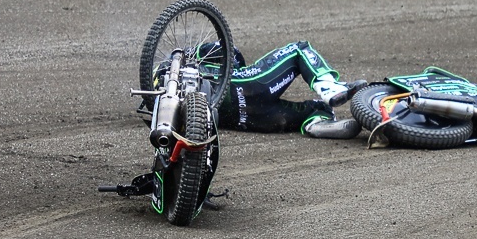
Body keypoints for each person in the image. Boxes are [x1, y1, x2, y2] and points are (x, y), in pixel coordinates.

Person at [157, 40, 367, 139]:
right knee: (299, 50)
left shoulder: (158, 111)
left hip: (245, 121)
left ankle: (315, 122)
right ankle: (330, 89)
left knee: (309, 111)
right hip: (243, 88)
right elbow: (229, 52)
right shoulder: (180, 61)